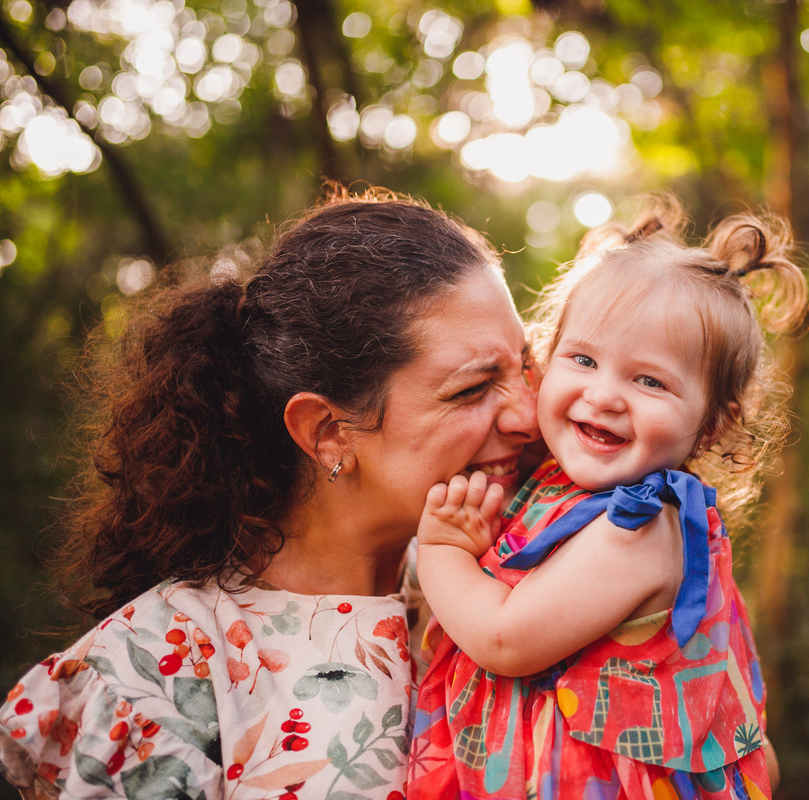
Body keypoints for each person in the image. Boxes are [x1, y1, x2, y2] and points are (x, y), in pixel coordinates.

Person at [0, 188, 539, 800]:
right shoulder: (162, 670)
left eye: (524, 366)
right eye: (473, 389)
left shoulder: (524, 580)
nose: (529, 414)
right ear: (328, 432)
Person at [408, 201, 807, 799]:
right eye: (584, 359)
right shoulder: (555, 483)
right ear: (546, 358)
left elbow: (503, 639)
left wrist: (440, 549)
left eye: (650, 381)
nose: (603, 395)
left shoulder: (643, 526)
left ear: (712, 426)